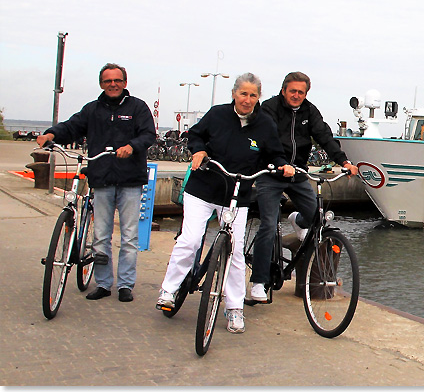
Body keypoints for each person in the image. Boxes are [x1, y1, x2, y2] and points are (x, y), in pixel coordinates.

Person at [156, 73, 294, 333]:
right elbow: (195, 135)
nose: (248, 99)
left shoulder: (264, 123)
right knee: (191, 240)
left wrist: (282, 166)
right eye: (243, 94)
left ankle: (234, 308)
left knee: (235, 251)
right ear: (234, 94)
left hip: (236, 195)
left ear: (258, 98)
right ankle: (169, 289)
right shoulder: (217, 114)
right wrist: (199, 150)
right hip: (203, 190)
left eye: (253, 95)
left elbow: (274, 153)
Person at [36, 63, 156, 303]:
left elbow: (148, 135)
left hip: (131, 180)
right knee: (101, 235)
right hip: (101, 178)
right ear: (102, 84)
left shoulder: (138, 108)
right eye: (108, 81)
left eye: (117, 80)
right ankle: (103, 283)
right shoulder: (93, 109)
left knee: (129, 236)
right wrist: (51, 134)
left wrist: (132, 147)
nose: (113, 84)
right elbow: (72, 127)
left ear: (125, 83)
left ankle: (125, 285)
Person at [249, 71, 358, 302]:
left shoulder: (310, 111)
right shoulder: (269, 108)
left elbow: (325, 137)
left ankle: (297, 221)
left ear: (306, 93)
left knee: (318, 217)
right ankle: (258, 282)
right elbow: (265, 139)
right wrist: (279, 164)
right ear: (283, 90)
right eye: (293, 91)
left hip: (296, 173)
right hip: (270, 172)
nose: (296, 95)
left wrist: (344, 162)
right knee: (268, 225)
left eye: (301, 92)